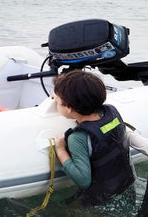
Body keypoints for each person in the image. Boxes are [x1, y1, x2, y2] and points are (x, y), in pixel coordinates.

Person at [52, 70, 148, 208]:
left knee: (72, 212)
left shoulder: (78, 137)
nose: (56, 103)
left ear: (69, 108)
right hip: (125, 187)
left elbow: (83, 179)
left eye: (58, 102)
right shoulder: (111, 113)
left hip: (100, 201)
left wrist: (61, 150)